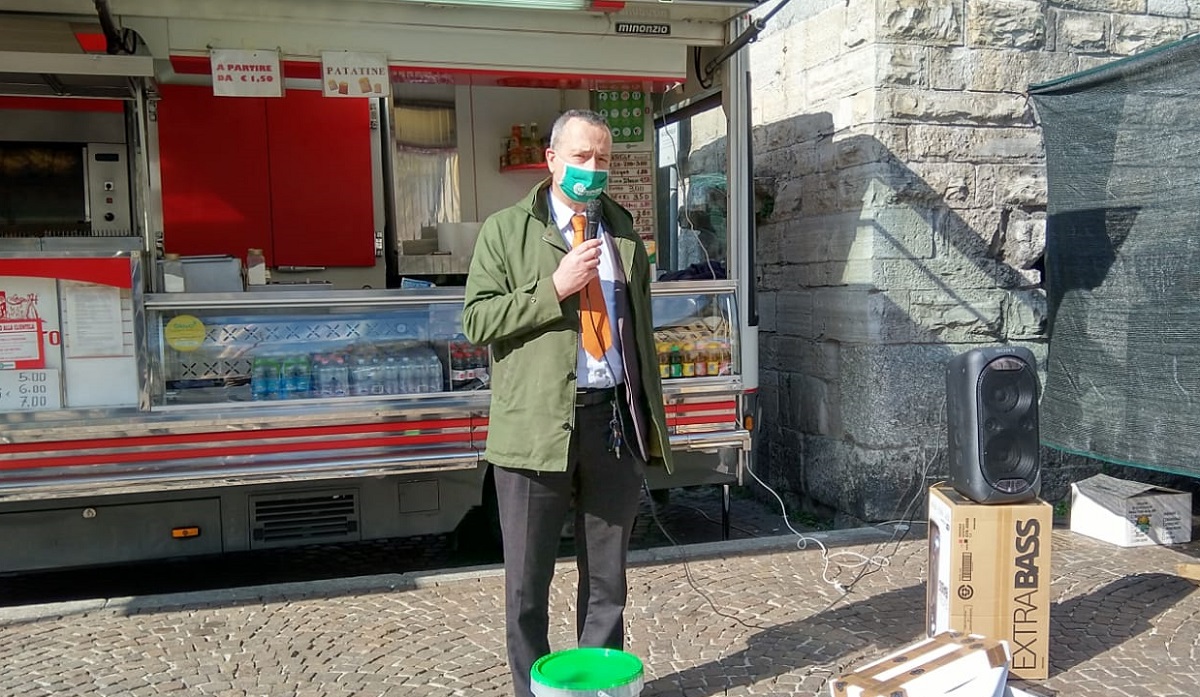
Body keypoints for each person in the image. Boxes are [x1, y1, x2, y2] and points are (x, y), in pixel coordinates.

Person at [462, 109, 672, 697]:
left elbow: (637, 328)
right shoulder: (507, 229)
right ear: (551, 159)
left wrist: (644, 412)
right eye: (581, 156)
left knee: (607, 579)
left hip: (611, 420)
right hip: (535, 426)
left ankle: (596, 686)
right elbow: (477, 320)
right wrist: (553, 288)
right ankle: (531, 690)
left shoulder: (622, 230)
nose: (592, 168)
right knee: (527, 583)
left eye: (603, 159)